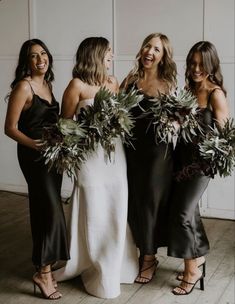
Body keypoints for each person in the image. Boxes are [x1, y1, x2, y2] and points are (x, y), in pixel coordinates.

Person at [53, 37, 138, 299]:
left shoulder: (112, 82)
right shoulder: (76, 85)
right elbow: (64, 125)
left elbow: (124, 116)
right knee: (93, 205)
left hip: (113, 157)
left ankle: (114, 262)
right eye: (108, 51)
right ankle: (86, 259)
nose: (112, 54)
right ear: (95, 54)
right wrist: (86, 132)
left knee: (114, 203)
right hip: (89, 159)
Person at [4, 39, 70, 299]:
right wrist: (35, 145)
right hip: (33, 157)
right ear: (26, 62)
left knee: (46, 208)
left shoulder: (47, 85)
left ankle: (45, 266)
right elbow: (10, 128)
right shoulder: (24, 86)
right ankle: (42, 273)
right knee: (50, 210)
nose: (40, 59)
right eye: (33, 56)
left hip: (53, 157)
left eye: (43, 53)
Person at [167, 41, 230, 295]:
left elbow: (225, 137)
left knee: (182, 214)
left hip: (201, 164)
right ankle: (199, 256)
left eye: (200, 64)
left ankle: (192, 270)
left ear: (211, 65)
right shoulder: (187, 90)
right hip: (180, 158)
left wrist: (209, 158)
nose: (195, 68)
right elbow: (180, 123)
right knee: (190, 213)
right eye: (192, 63)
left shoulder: (216, 94)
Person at [120, 33, 177, 283]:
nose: (149, 52)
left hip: (157, 155)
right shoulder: (130, 80)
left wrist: (173, 123)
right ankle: (138, 254)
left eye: (156, 49)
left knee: (150, 204)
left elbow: (179, 118)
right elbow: (117, 112)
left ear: (163, 56)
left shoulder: (167, 84)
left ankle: (149, 258)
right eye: (147, 46)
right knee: (134, 202)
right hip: (132, 152)